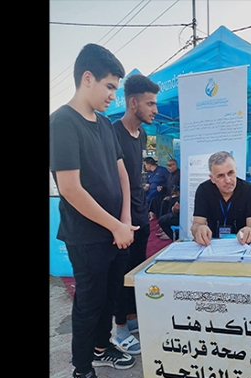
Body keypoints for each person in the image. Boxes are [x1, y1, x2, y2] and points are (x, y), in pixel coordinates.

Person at [49, 43, 138, 378]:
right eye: (109, 86)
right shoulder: (62, 122)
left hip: (117, 230)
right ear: (88, 78)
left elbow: (121, 172)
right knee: (89, 302)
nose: (113, 95)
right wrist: (114, 226)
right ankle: (81, 372)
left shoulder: (104, 124)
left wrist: (125, 220)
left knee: (110, 294)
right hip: (87, 236)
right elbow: (70, 188)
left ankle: (102, 348)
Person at [111, 74, 159, 354]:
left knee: (136, 271)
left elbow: (138, 179)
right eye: (150, 103)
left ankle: (131, 318)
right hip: (121, 219)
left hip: (141, 215)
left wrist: (145, 212)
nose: (155, 110)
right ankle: (119, 329)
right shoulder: (112, 133)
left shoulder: (143, 136)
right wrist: (121, 221)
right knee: (120, 273)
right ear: (133, 102)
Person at [191, 151, 251, 246]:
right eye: (221, 176)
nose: (228, 180)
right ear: (212, 178)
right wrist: (199, 229)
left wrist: (250, 231)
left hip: (242, 243)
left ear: (236, 171)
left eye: (231, 173)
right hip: (212, 244)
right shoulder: (203, 190)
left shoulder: (249, 190)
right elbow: (197, 224)